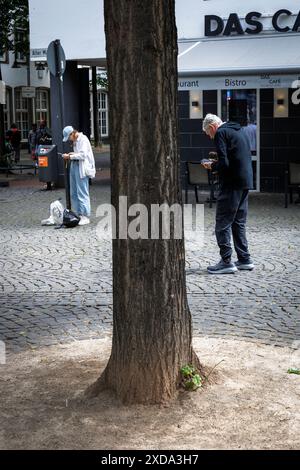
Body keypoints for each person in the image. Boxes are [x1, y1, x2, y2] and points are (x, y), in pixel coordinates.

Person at [202, 113, 254, 274]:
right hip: (245, 182)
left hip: (231, 184)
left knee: (222, 223)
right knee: (238, 222)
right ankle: (244, 259)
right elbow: (234, 157)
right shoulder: (239, 131)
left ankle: (226, 262)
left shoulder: (221, 133)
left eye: (209, 134)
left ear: (212, 127)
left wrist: (212, 167)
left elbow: (224, 163)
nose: (211, 137)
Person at [62, 126, 96, 226]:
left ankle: (85, 215)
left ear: (72, 134)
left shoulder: (83, 139)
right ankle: (78, 214)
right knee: (74, 192)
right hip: (75, 166)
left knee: (82, 192)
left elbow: (83, 155)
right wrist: (71, 154)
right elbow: (78, 153)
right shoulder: (76, 141)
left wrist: (70, 156)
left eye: (69, 138)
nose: (69, 140)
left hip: (82, 168)